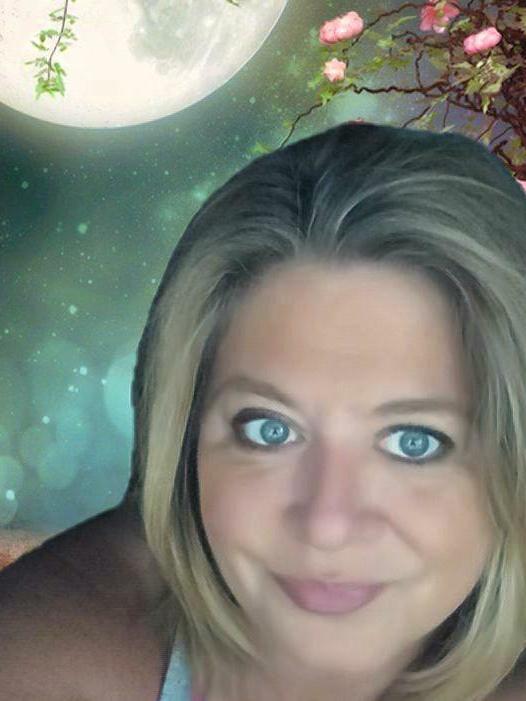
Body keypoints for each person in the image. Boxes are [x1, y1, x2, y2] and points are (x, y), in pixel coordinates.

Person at [1, 121, 526, 701]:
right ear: (186, 436)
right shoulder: (49, 664)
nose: (326, 526)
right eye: (270, 430)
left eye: (413, 442)